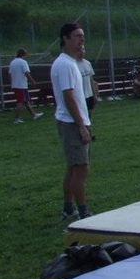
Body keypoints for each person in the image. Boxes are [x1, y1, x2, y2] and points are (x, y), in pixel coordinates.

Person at [50, 23, 93, 221]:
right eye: (77, 36)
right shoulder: (65, 64)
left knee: (73, 167)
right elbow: (68, 98)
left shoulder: (70, 62)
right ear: (65, 39)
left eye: (82, 35)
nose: (82, 39)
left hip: (73, 121)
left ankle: (68, 209)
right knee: (81, 168)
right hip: (72, 124)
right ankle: (83, 212)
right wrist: (81, 126)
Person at [8, 48, 43, 124]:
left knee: (26, 101)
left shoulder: (12, 62)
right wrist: (33, 81)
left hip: (16, 85)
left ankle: (34, 115)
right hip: (21, 85)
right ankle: (16, 119)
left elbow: (10, 74)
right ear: (23, 55)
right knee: (20, 102)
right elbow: (26, 73)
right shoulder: (23, 62)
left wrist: (12, 84)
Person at [76, 44, 99, 118]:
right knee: (81, 117)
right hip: (79, 97)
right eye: (80, 50)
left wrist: (95, 95)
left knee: (89, 115)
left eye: (83, 49)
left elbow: (91, 80)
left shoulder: (87, 63)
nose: (82, 51)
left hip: (89, 95)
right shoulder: (73, 65)